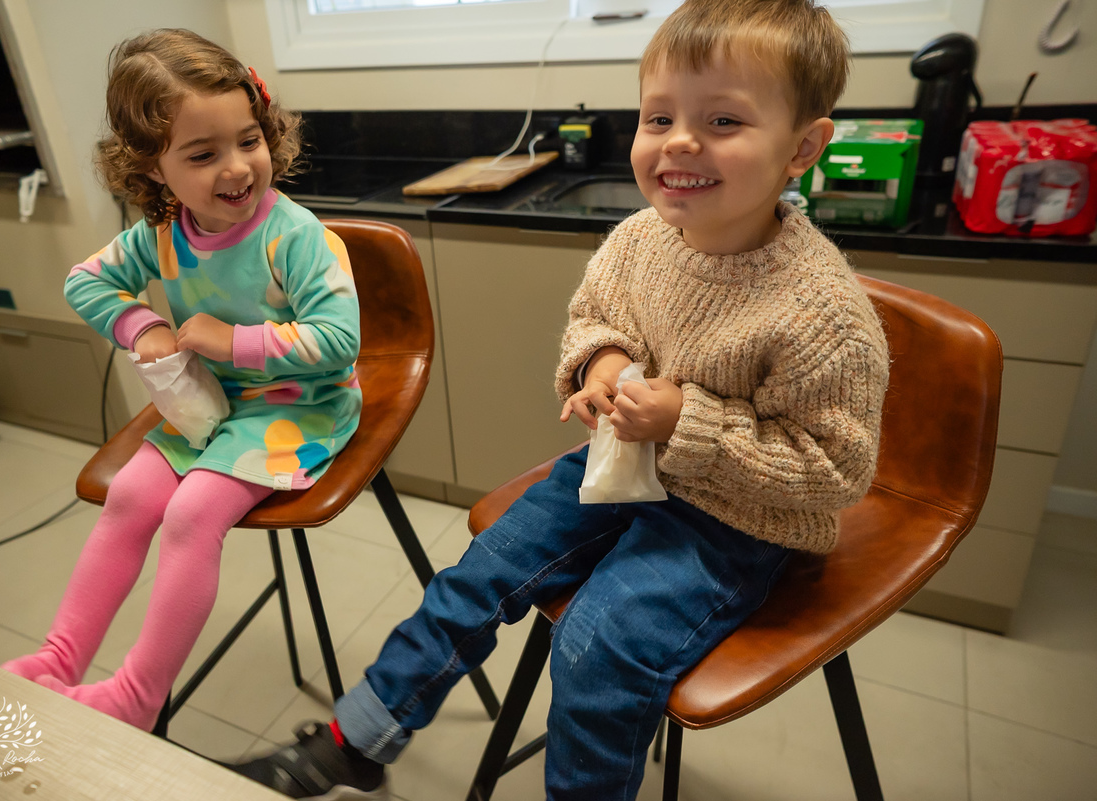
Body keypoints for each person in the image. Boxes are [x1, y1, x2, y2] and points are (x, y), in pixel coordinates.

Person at [232, 0, 889, 797]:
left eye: (722, 119)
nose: (680, 140)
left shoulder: (825, 314)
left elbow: (834, 472)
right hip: (621, 470)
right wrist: (602, 363)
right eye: (659, 116)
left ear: (804, 148)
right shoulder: (640, 238)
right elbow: (596, 319)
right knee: (476, 576)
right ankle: (358, 737)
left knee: (597, 641)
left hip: (733, 522)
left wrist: (689, 419)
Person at [1, 29, 363, 732]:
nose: (237, 168)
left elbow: (340, 340)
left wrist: (233, 340)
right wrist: (145, 327)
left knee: (193, 512)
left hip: (301, 404)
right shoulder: (164, 231)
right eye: (203, 155)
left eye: (248, 140)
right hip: (212, 405)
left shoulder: (295, 235)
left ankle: (136, 693)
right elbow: (86, 282)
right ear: (153, 169)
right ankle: (59, 657)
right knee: (133, 493)